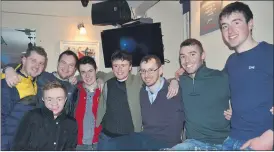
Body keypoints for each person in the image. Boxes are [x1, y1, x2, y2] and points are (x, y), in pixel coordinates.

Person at [96, 51, 179, 150]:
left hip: (131, 139)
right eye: (116, 66)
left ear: (130, 67)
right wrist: (98, 78)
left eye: (123, 65)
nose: (119, 69)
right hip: (107, 138)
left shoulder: (138, 80)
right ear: (112, 68)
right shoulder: (107, 81)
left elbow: (156, 79)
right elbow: (91, 74)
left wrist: (174, 81)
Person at [218, 2, 273, 150]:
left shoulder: (270, 53)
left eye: (236, 22)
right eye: (224, 26)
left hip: (262, 140)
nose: (230, 30)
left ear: (250, 24)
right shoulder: (231, 61)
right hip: (232, 139)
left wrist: (270, 136)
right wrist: (178, 78)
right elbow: (213, 82)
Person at [170, 38, 231, 150]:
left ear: (203, 55)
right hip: (193, 144)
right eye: (183, 56)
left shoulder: (221, 77)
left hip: (224, 143)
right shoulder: (182, 81)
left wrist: (236, 112)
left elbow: (247, 97)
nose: (187, 60)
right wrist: (174, 80)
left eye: (192, 54)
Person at [4, 50, 79, 117]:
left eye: (71, 65)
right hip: (37, 128)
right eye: (63, 63)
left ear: (75, 69)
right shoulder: (41, 76)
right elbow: (26, 67)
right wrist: (8, 69)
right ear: (58, 63)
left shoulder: (74, 87)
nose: (66, 68)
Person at [1, 46, 47, 150]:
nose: (37, 66)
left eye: (41, 63)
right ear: (24, 60)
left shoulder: (37, 82)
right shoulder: (10, 82)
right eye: (33, 60)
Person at [12, 81, 78, 150]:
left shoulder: (72, 123)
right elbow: (17, 146)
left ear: (65, 99)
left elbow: (70, 148)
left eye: (59, 99)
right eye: (49, 99)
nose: (54, 103)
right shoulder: (31, 116)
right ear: (43, 99)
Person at [74, 56, 102, 150]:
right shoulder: (75, 91)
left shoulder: (104, 90)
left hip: (100, 143)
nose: (87, 75)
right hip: (79, 145)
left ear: (96, 70)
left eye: (90, 71)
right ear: (80, 74)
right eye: (83, 72)